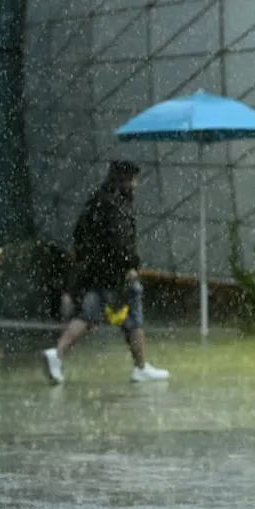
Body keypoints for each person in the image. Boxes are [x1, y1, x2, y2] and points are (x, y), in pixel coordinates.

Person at [40, 161, 169, 385]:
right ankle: (140, 368)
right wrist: (129, 265)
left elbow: (79, 233)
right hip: (116, 275)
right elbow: (121, 240)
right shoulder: (117, 205)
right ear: (126, 180)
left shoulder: (96, 200)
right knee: (134, 317)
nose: (136, 185)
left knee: (89, 315)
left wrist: (89, 261)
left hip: (96, 272)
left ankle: (57, 354)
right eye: (134, 180)